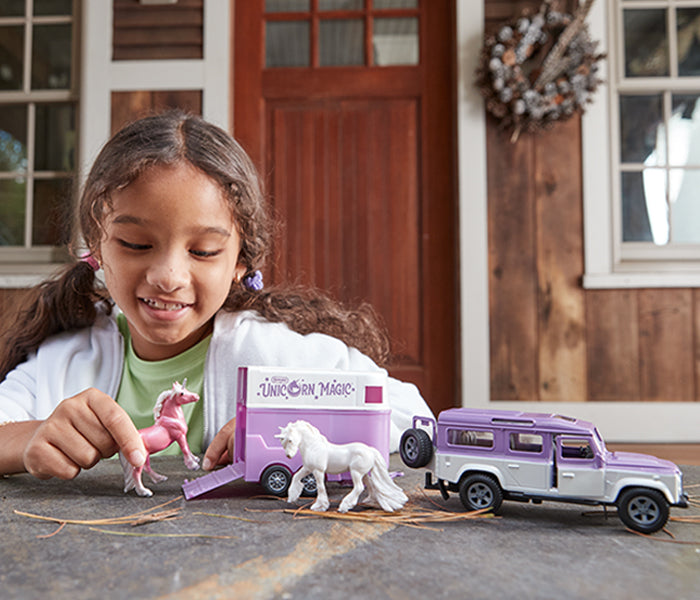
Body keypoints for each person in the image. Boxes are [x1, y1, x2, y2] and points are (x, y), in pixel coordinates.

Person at [0, 111, 432, 481]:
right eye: (135, 243)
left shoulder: (270, 353)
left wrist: (295, 429)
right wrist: (29, 440)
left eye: (203, 251)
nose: (168, 276)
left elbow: (414, 419)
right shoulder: (64, 362)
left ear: (241, 261)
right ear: (96, 243)